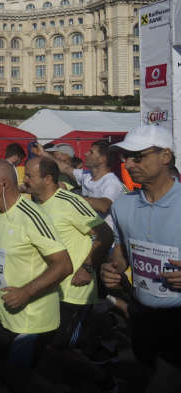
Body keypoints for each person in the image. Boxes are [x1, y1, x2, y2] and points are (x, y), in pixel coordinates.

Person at [0, 160, 73, 393]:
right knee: (6, 373)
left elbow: (63, 265)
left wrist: (26, 292)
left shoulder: (32, 216)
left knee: (16, 379)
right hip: (6, 315)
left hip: (32, 320)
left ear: (5, 183)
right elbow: (3, 254)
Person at [23, 156, 120, 393]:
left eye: (29, 176)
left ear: (47, 179)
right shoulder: (35, 204)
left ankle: (108, 383)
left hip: (73, 289)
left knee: (56, 348)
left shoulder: (70, 202)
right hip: (49, 288)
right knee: (58, 351)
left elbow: (104, 234)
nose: (25, 180)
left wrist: (87, 266)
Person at [101, 125, 181, 393]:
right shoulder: (122, 204)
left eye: (137, 157)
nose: (127, 164)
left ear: (165, 156)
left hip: (179, 317)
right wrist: (114, 266)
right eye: (125, 157)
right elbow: (122, 249)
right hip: (143, 314)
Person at [46, 139, 125, 365]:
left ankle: (110, 345)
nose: (86, 154)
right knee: (98, 297)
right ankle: (118, 316)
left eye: (90, 151)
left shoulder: (111, 182)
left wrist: (68, 196)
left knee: (98, 298)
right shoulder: (87, 176)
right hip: (89, 242)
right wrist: (42, 152)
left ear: (101, 158)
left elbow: (103, 206)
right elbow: (63, 167)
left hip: (104, 244)